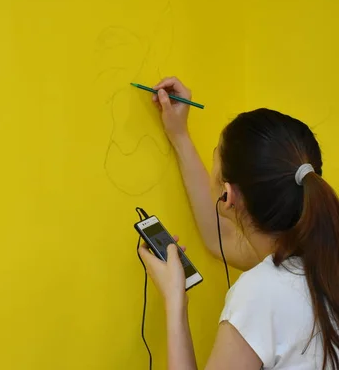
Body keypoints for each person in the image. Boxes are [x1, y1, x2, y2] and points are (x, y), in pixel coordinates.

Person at [138, 77, 339, 369]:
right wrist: (179, 136)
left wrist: (174, 302)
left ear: (227, 194)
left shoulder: (260, 292)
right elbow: (219, 237)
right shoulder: (320, 255)